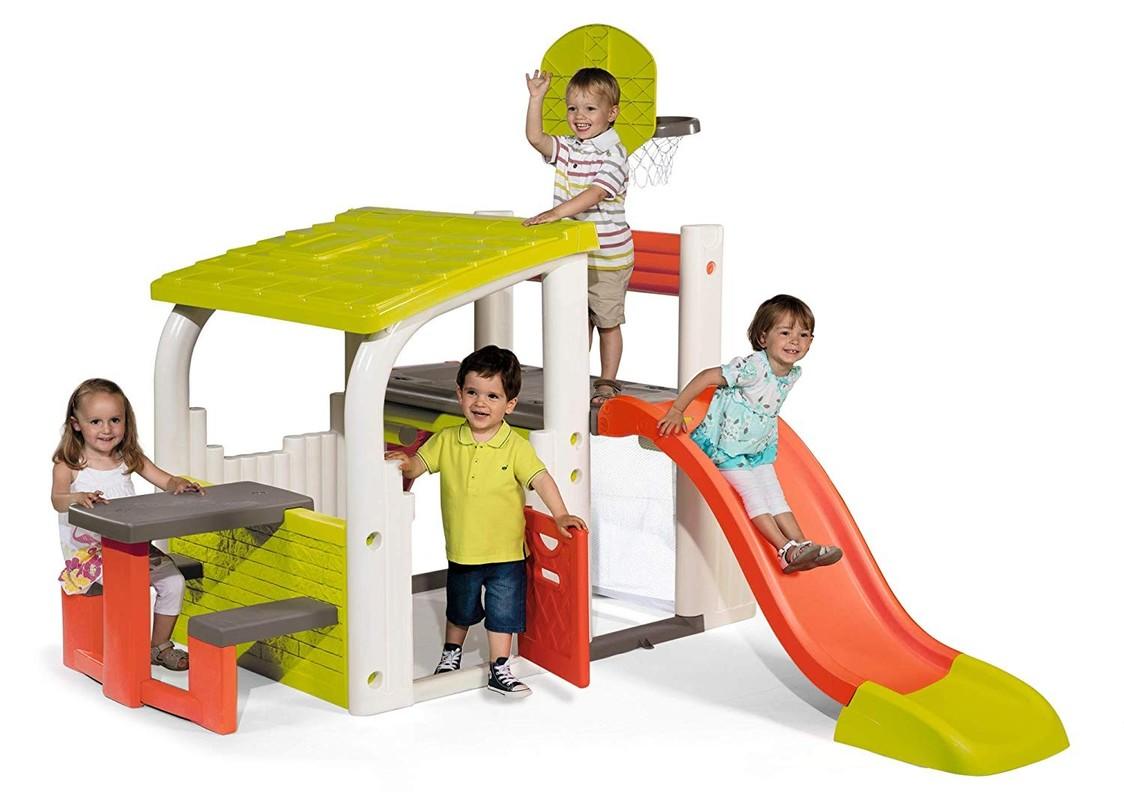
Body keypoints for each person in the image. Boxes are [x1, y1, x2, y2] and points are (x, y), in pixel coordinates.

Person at [386, 346, 587, 698]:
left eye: (493, 396)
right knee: (459, 609)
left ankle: (499, 667)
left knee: (503, 614)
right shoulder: (447, 440)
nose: (481, 402)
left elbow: (541, 479)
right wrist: (406, 461)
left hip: (506, 553)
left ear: (510, 404)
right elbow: (419, 465)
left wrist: (560, 514)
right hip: (464, 550)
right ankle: (451, 654)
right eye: (473, 392)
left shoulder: (516, 446)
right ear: (459, 394)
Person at [656, 295, 844, 574]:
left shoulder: (791, 373)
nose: (795, 341)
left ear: (811, 342)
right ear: (763, 337)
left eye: (803, 335)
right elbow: (708, 376)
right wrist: (677, 409)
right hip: (728, 449)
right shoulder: (753, 367)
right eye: (785, 332)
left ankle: (804, 544)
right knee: (754, 495)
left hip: (758, 449)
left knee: (776, 496)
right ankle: (785, 549)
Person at [52, 378, 204, 670]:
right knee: (128, 589)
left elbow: (164, 479)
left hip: (132, 547)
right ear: (76, 424)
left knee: (173, 581)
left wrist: (177, 483)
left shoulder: (128, 458)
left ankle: (159, 646)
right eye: (95, 421)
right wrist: (77, 497)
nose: (106, 429)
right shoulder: (69, 464)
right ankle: (124, 651)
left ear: (126, 421)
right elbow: (57, 500)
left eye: (115, 420)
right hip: (90, 555)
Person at [523, 66, 634, 406]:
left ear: (611, 113)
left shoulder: (614, 154)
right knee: (576, 321)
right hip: (573, 255)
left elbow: (595, 193)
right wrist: (536, 98)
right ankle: (574, 375)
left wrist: (557, 213)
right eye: (572, 108)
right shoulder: (570, 148)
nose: (579, 116)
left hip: (606, 258)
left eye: (589, 108)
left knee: (607, 321)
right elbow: (536, 139)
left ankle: (607, 381)